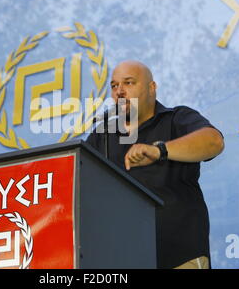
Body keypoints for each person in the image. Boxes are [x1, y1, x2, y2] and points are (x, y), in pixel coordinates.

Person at [85, 60, 225, 269]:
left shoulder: (176, 118)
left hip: (177, 256)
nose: (119, 91)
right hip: (119, 259)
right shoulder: (103, 135)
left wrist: (160, 150)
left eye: (129, 83)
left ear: (152, 88)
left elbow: (214, 141)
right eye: (114, 86)